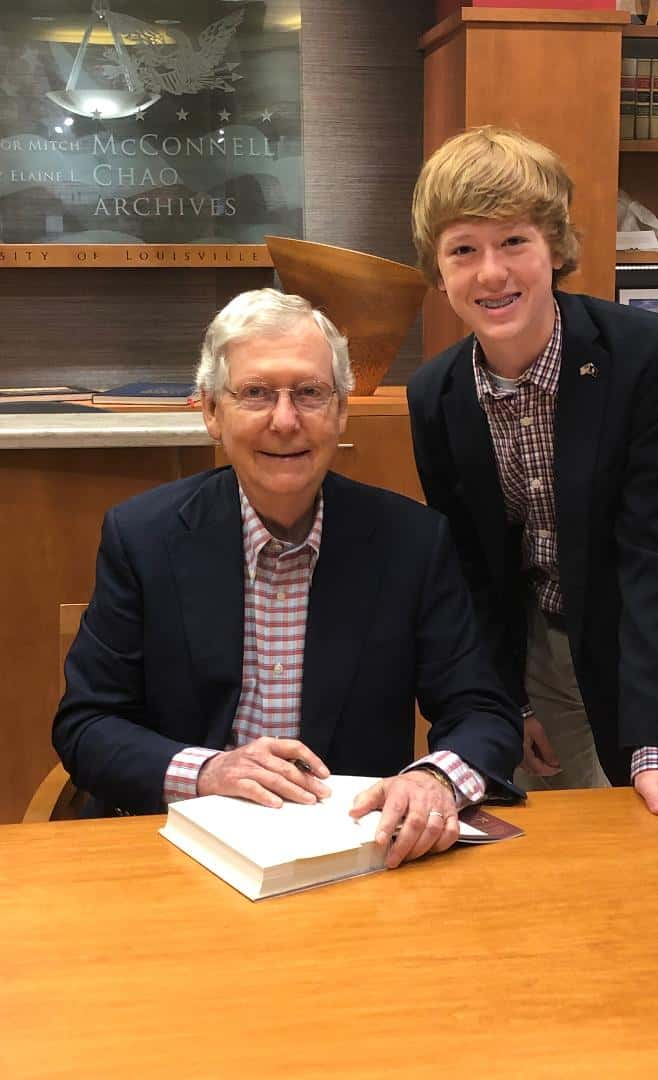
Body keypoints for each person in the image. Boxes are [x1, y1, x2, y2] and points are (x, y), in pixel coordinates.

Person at [53, 288, 523, 868]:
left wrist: (435, 780)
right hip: (178, 848)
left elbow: (482, 712)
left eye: (309, 393)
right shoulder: (143, 537)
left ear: (341, 410)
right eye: (255, 393)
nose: (285, 420)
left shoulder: (412, 541)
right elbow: (87, 725)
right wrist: (209, 769)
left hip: (353, 856)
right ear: (210, 412)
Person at [407, 127, 658, 833]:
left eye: (514, 242)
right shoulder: (435, 393)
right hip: (540, 642)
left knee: (646, 812)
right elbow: (474, 572)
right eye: (464, 249)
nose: (491, 273)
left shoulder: (652, 358)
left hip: (641, 630)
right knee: (557, 828)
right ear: (438, 273)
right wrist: (505, 704)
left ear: (554, 247)